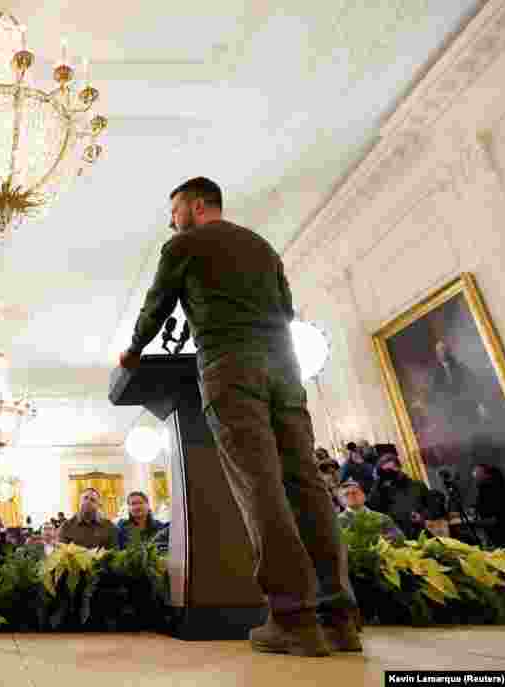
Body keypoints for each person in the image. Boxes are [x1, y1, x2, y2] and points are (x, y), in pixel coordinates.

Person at [119, 177, 357, 656]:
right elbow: (286, 311)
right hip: (284, 369)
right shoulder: (263, 247)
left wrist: (134, 349)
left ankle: (293, 618)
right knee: (306, 484)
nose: (171, 220)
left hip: (231, 367)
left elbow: (157, 304)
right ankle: (340, 619)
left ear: (197, 205)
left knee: (260, 484)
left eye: (175, 210)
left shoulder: (185, 244)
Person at [366, 455, 431, 540]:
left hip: (422, 535)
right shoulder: (381, 492)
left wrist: (422, 516)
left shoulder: (418, 486)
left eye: (391, 470)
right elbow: (372, 509)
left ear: (399, 467)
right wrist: (378, 482)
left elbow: (432, 509)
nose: (389, 474)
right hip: (398, 539)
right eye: (385, 472)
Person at [336, 481, 403, 542]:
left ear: (364, 496)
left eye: (354, 493)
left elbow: (400, 537)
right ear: (341, 501)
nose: (351, 496)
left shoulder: (382, 517)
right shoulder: (338, 522)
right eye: (346, 494)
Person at [472, 464, 505, 548]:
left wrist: (478, 522)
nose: (474, 476)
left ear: (486, 474)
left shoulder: (491, 489)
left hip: (499, 531)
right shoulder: (486, 488)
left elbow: (497, 515)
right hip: (496, 530)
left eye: (477, 473)